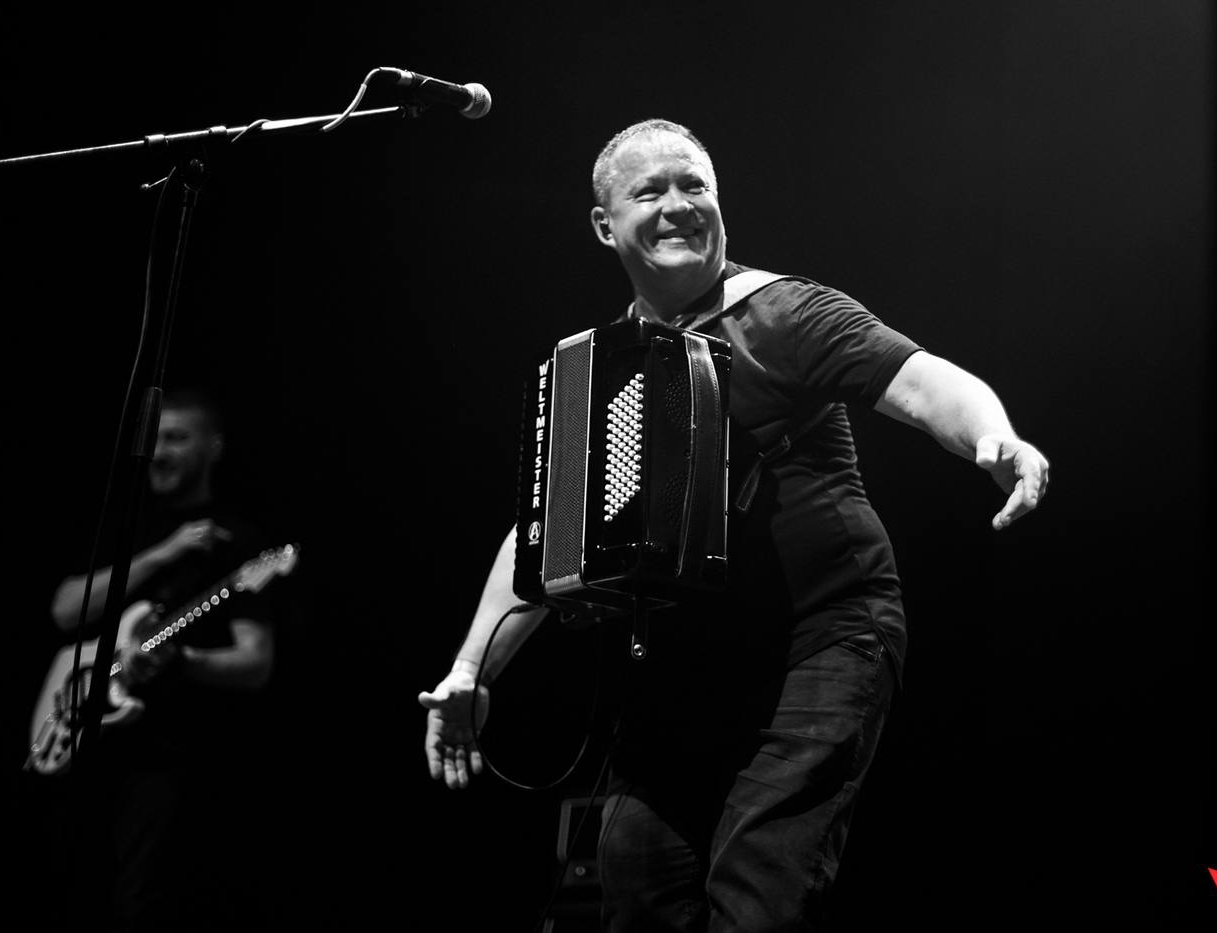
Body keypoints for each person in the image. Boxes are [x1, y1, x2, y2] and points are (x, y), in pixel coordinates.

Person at [419, 118, 1051, 932]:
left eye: (695, 186)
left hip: (820, 640)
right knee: (635, 882)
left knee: (761, 886)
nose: (679, 205)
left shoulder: (785, 311)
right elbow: (541, 539)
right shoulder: (604, 368)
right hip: (685, 674)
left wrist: (995, 436)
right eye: (650, 191)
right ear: (605, 225)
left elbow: (924, 381)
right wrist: (472, 669)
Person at [40, 388, 281, 932]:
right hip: (79, 742)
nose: (160, 451)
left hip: (167, 762)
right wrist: (164, 553)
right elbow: (64, 610)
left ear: (212, 447)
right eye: (154, 439)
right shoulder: (123, 524)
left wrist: (183, 659)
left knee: (139, 904)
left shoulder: (235, 542)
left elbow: (256, 663)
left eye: (177, 438)